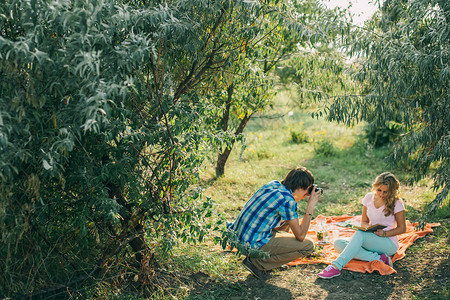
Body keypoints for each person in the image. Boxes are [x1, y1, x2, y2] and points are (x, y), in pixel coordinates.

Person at [228, 166, 322, 278]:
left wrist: (301, 195)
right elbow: (300, 236)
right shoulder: (287, 201)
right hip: (251, 244)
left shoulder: (273, 184)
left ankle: (269, 260)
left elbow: (288, 210)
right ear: (301, 187)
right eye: (308, 189)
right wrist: (310, 206)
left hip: (238, 237)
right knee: (308, 246)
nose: (309, 193)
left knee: (288, 219)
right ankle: (257, 263)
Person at [318, 172, 406, 279]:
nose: (382, 194)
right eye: (379, 190)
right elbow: (364, 221)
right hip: (371, 237)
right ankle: (379, 259)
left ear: (392, 191)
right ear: (375, 187)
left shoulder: (397, 202)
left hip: (388, 243)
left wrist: (385, 233)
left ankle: (336, 266)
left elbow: (402, 228)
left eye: (385, 192)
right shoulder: (369, 198)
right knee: (338, 243)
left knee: (359, 235)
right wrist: (366, 227)